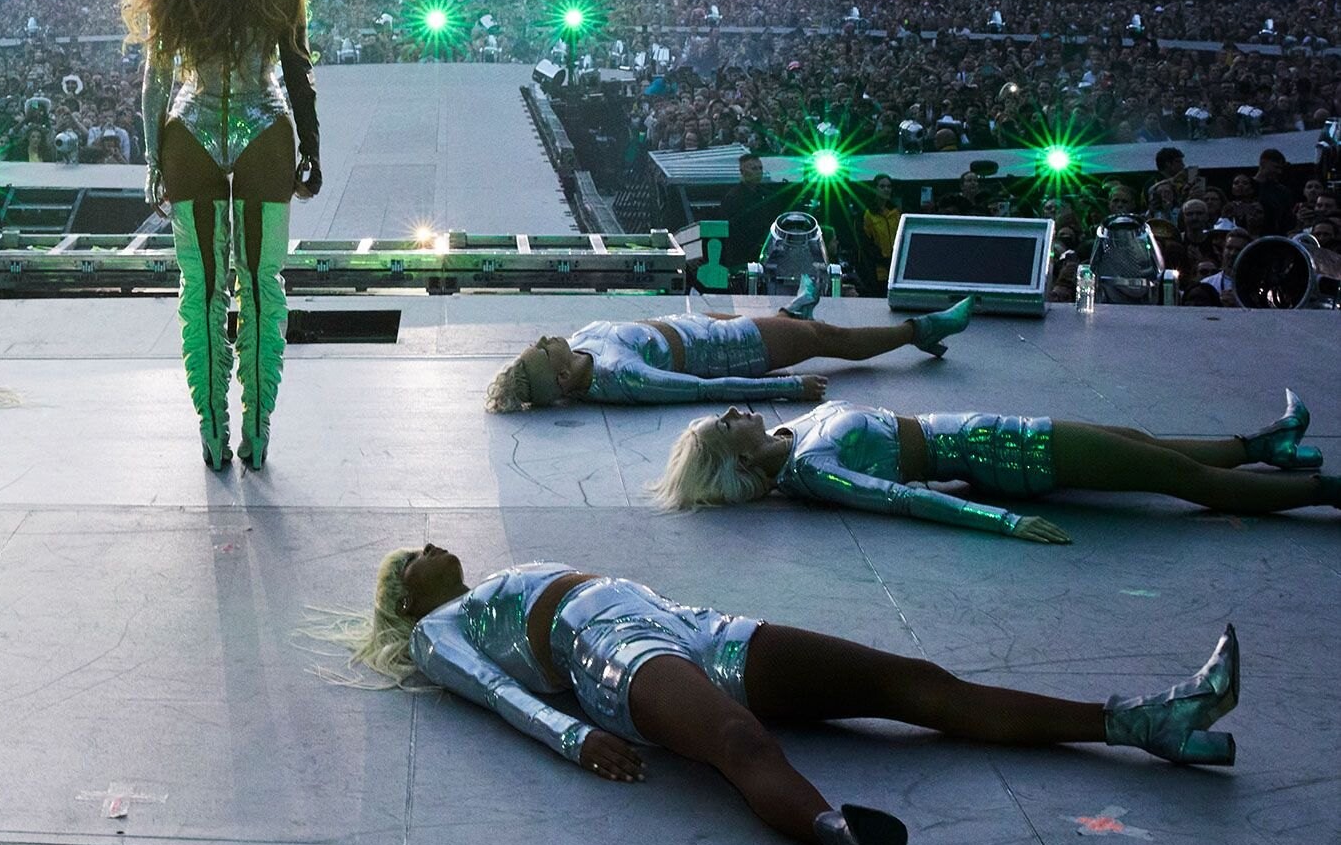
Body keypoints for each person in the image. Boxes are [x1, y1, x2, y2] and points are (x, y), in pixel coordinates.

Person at [314, 543, 1243, 845]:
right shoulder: (438, 631)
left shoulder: (488, 577)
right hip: (611, 655)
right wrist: (573, 736)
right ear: (405, 593)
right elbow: (499, 693)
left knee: (907, 680)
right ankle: (838, 835)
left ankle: (1139, 720)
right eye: (410, 557)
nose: (429, 545)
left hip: (693, 624)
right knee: (737, 742)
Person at [123, 0, 322, 471]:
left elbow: (156, 78)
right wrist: (311, 147)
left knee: (203, 289)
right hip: (265, 126)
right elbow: (297, 70)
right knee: (263, 288)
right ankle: (257, 435)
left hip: (191, 129)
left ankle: (212, 434)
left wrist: (153, 158)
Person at [650, 391, 1334, 539]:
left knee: (1140, 441)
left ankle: (1263, 445)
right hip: (1009, 454)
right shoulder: (814, 469)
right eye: (726, 423)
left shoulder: (793, 431)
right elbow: (909, 500)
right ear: (740, 455)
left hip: (990, 430)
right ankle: (1322, 490)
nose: (735, 411)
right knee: (1182, 480)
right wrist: (1005, 520)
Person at [486, 288, 974, 411]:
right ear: (563, 378)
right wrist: (788, 388)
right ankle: (920, 330)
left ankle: (791, 311)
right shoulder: (623, 378)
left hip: (701, 325)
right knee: (828, 338)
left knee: (797, 327)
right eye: (542, 351)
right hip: (736, 348)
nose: (544, 340)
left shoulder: (582, 340)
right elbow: (707, 390)